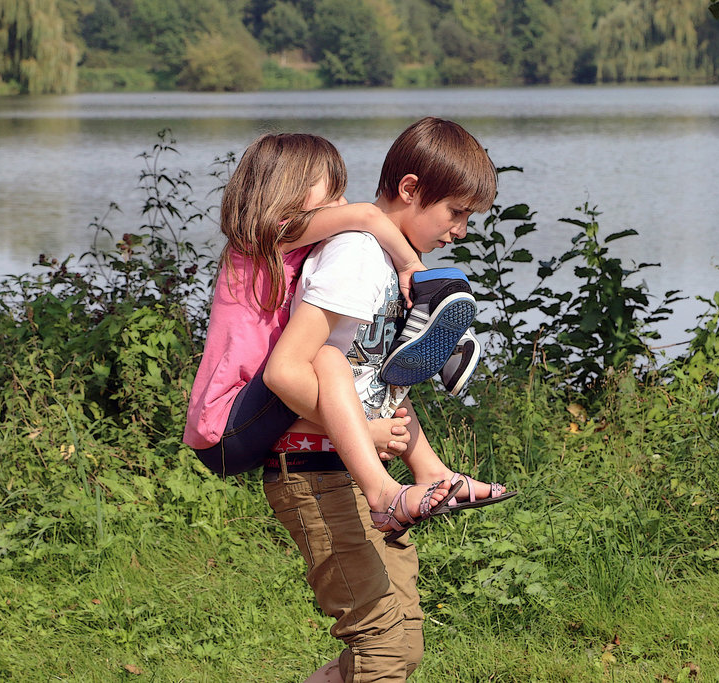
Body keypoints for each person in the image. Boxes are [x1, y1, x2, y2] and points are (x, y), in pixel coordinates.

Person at [262, 117, 514, 682]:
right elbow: (288, 369)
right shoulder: (356, 258)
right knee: (383, 648)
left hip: (362, 469)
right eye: (455, 213)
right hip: (317, 466)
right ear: (409, 189)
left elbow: (369, 382)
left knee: (400, 645)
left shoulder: (387, 263)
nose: (462, 231)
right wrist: (371, 434)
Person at [183, 133, 447, 518]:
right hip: (225, 428)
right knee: (328, 360)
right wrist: (410, 266)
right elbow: (367, 215)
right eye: (333, 193)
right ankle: (382, 492)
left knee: (361, 361)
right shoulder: (264, 237)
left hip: (242, 420)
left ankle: (432, 472)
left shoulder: (277, 247)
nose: (341, 204)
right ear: (287, 191)